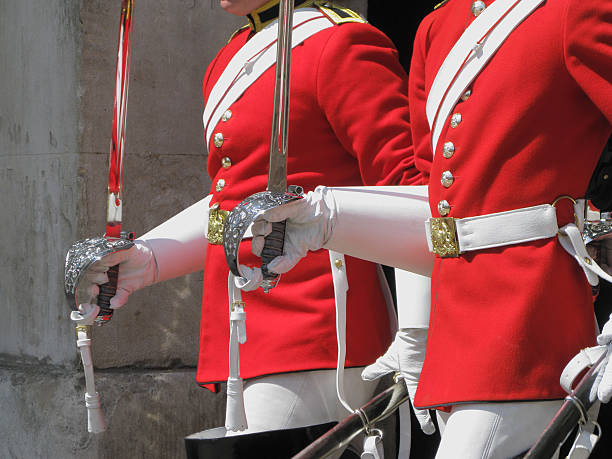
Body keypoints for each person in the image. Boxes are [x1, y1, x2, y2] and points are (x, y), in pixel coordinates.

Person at [246, 0, 612, 457]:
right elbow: (438, 209)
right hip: (453, 335)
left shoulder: (576, 10)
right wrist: (325, 218)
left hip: (533, 323)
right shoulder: (437, 27)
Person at [76, 0, 433, 455]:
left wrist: (416, 331)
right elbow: (235, 202)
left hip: (317, 323)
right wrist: (147, 259)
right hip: (242, 322)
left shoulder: (341, 43)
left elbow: (412, 192)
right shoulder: (230, 57)